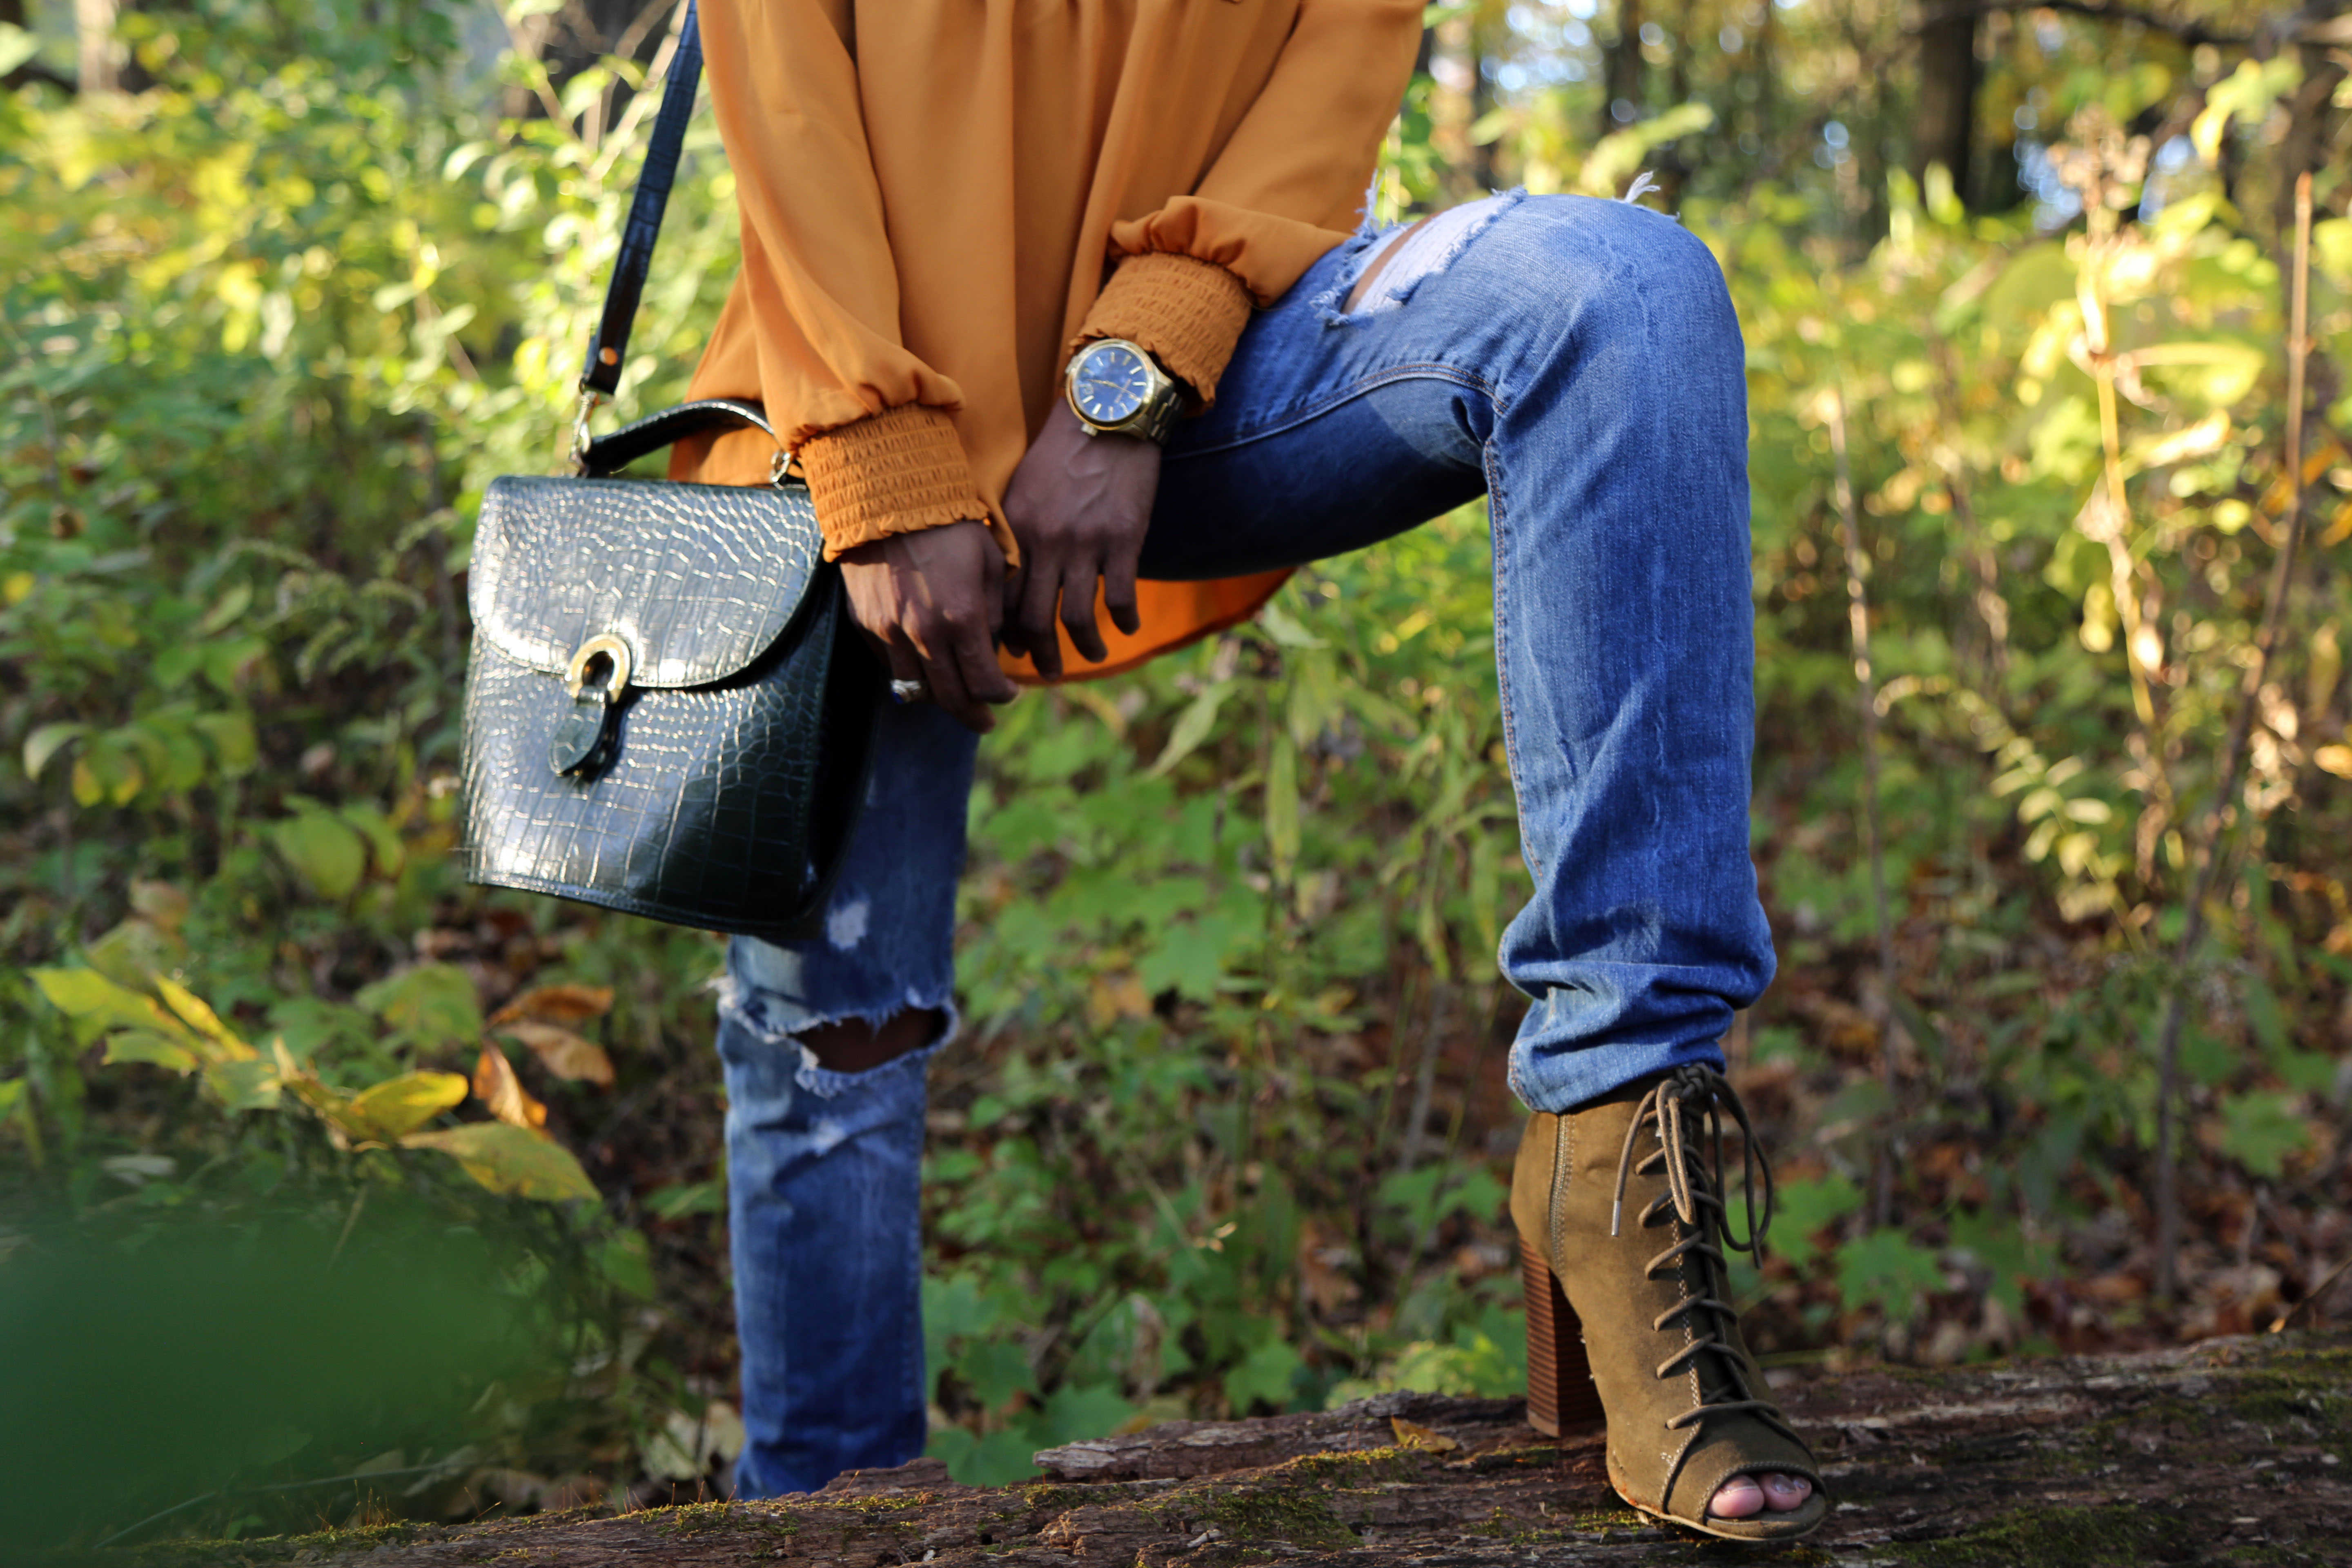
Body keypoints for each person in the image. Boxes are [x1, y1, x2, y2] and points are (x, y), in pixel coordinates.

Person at [669, 0, 1825, 1540]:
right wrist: (875, 449)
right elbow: (784, 91)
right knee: (831, 1048)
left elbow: (1328, 71)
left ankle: (1618, 1136)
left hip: (1196, 376)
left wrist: (1138, 367)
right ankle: (821, 1522)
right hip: (856, 391)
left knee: (1619, 292)